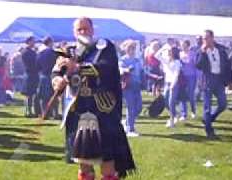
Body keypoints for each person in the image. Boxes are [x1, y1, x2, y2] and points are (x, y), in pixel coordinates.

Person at [51, 17, 135, 179]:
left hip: (103, 109)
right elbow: (56, 71)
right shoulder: (68, 50)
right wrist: (57, 80)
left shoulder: (104, 47)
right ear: (74, 32)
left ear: (92, 30)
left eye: (86, 29)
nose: (83, 32)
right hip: (78, 109)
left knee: (107, 159)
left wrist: (77, 67)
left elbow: (105, 67)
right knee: (83, 161)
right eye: (79, 30)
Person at [196, 30, 232, 139]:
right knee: (207, 107)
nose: (205, 40)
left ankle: (210, 118)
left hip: (219, 80)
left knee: (223, 104)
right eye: (203, 38)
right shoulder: (200, 51)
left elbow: (227, 66)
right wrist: (202, 52)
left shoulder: (221, 50)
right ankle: (209, 130)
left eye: (206, 38)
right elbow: (198, 65)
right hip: (207, 79)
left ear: (212, 38)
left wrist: (230, 81)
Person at [119, 39, 143, 137]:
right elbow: (120, 69)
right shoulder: (123, 59)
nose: (132, 50)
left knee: (139, 107)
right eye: (130, 48)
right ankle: (130, 129)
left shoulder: (137, 60)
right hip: (127, 86)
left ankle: (128, 122)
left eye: (133, 48)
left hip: (137, 85)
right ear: (126, 49)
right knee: (131, 107)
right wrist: (126, 69)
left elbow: (142, 71)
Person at [162, 47, 182, 128]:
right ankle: (176, 114)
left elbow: (177, 73)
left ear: (174, 52)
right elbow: (157, 55)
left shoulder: (177, 62)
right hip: (167, 83)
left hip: (174, 83)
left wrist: (173, 84)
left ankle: (171, 121)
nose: (168, 52)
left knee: (171, 102)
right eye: (168, 51)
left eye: (170, 51)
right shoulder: (167, 61)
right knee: (166, 101)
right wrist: (163, 48)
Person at [21, 36, 39, 118]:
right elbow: (30, 63)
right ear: (28, 42)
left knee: (33, 93)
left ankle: (31, 110)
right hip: (30, 74)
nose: (34, 43)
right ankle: (28, 111)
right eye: (33, 41)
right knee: (29, 94)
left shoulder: (32, 51)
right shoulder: (26, 52)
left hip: (33, 74)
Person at [179, 40, 197, 120]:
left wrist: (199, 77)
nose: (183, 46)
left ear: (188, 45)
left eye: (184, 45)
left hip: (191, 76)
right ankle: (184, 114)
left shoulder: (192, 54)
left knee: (190, 95)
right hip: (182, 77)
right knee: (182, 95)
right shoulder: (180, 54)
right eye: (182, 45)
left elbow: (196, 66)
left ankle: (193, 111)